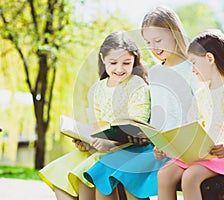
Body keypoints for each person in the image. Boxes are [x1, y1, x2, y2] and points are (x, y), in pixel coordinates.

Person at [83, 6, 199, 200]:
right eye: (148, 42)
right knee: (103, 171)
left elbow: (199, 114)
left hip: (184, 148)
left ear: (175, 33)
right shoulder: (155, 73)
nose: (154, 47)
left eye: (158, 40)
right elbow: (156, 116)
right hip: (158, 147)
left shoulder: (192, 70)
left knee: (129, 175)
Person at [38, 31, 151, 200]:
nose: (119, 69)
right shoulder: (97, 89)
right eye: (113, 63)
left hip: (127, 147)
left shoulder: (137, 85)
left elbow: (137, 126)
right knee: (58, 172)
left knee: (83, 174)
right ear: (103, 59)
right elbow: (96, 125)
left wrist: (110, 142)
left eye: (126, 63)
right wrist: (86, 141)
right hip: (101, 147)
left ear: (135, 60)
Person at [154, 29, 224, 200]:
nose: (193, 70)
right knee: (164, 174)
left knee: (190, 177)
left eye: (194, 63)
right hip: (202, 155)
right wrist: (170, 147)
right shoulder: (201, 94)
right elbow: (191, 129)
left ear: (210, 58)